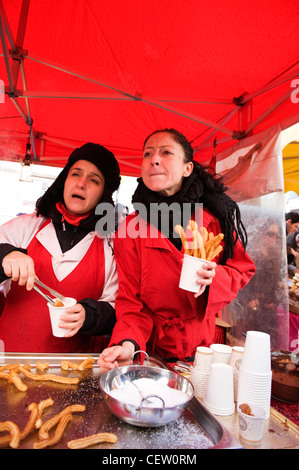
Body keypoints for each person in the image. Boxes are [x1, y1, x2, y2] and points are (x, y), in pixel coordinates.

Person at [98, 128, 256, 369]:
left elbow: (242, 270)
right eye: (148, 153)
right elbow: (130, 301)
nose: (154, 159)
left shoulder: (215, 219)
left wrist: (216, 278)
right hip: (152, 351)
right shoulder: (130, 230)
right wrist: (127, 344)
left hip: (203, 350)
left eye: (166, 152)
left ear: (187, 168)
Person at [0, 143, 120, 353]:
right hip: (9, 360)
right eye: (76, 174)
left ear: (104, 194)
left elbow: (116, 306)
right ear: (64, 180)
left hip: (70, 371)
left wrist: (90, 315)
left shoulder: (111, 246)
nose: (81, 184)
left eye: (94, 180)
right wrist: (5, 254)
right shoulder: (25, 227)